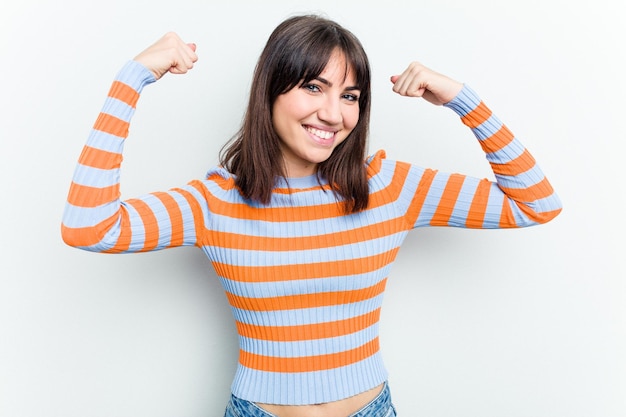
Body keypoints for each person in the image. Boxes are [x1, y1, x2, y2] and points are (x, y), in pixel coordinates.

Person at [61, 14, 562, 417]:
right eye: (313, 87)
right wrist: (132, 80)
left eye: (350, 96)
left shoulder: (389, 187)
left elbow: (536, 203)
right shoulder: (215, 203)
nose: (333, 114)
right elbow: (89, 226)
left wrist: (461, 100)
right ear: (270, 92)